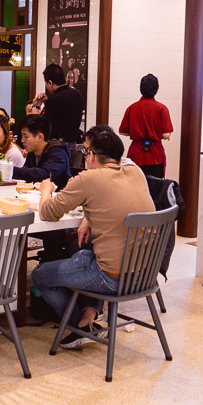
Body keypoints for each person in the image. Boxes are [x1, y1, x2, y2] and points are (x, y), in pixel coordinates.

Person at [31, 125, 155, 347]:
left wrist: (45, 191)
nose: (85, 157)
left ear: (93, 156)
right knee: (83, 253)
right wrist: (88, 218)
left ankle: (76, 326)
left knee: (40, 275)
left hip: (113, 278)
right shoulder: (136, 172)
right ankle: (88, 317)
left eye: (86, 152)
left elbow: (47, 212)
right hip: (144, 273)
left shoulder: (88, 179)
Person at [119, 74, 174, 178]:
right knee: (155, 189)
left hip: (136, 153)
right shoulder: (162, 108)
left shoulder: (132, 108)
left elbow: (122, 131)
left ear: (141, 88)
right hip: (155, 155)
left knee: (134, 187)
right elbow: (166, 134)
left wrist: (136, 131)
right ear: (156, 89)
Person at [12, 114, 71, 189]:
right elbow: (27, 176)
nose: (22, 140)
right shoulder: (32, 152)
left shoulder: (58, 153)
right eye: (22, 136)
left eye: (26, 136)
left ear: (40, 137)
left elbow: (45, 175)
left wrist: (10, 169)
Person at [33, 63, 84, 144]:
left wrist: (36, 106)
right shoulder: (77, 94)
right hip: (75, 144)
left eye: (46, 83)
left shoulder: (54, 100)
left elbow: (41, 127)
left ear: (50, 82)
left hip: (59, 147)